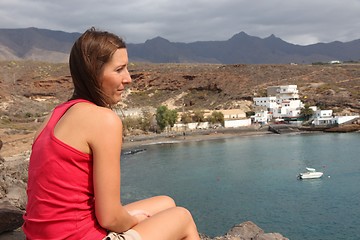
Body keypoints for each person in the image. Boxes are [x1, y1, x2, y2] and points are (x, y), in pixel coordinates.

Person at [23, 27, 200, 240]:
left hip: (39, 236)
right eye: (119, 70)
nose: (128, 79)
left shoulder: (54, 115)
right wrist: (135, 220)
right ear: (93, 73)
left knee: (166, 203)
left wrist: (131, 218)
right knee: (182, 217)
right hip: (76, 237)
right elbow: (109, 218)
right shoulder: (104, 120)